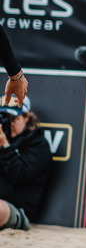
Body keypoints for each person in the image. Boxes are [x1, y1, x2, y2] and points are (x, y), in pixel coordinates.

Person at [0, 97, 51, 231]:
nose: (8, 123)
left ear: (26, 117)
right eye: (4, 118)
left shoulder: (39, 145)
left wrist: (4, 146)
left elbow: (18, 175)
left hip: (17, 209)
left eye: (13, 119)